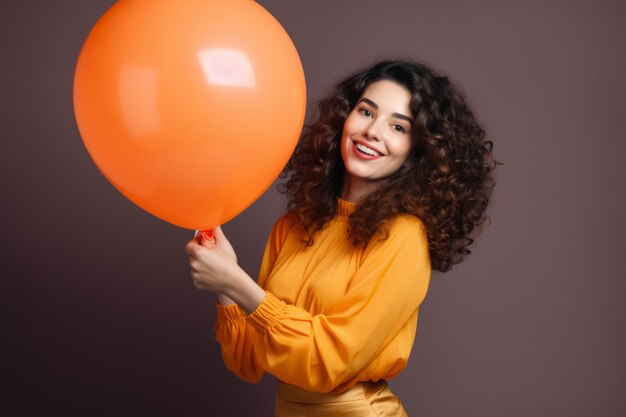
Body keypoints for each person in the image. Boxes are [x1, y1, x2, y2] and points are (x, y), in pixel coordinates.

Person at [185, 59, 498, 416]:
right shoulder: (292, 226)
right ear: (344, 118)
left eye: (398, 126)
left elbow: (332, 361)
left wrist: (237, 283)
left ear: (418, 151)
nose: (373, 132)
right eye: (366, 112)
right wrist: (225, 281)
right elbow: (247, 362)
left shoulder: (404, 237)